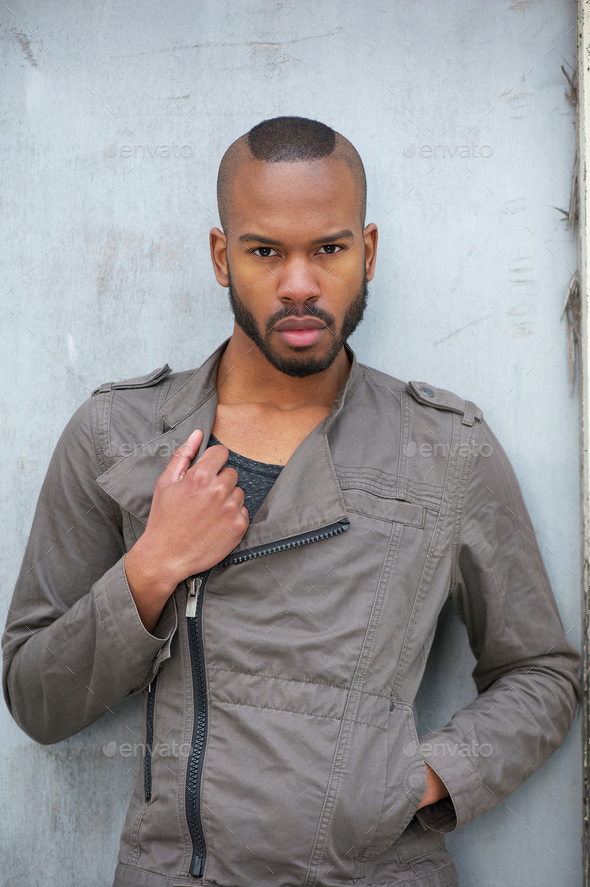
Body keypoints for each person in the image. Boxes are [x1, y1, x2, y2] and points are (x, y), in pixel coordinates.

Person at [2, 116, 580, 887]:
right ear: (221, 256)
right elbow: (36, 699)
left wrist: (422, 779)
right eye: (265, 250)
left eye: (329, 250)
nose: (299, 283)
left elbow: (541, 671)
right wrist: (152, 566)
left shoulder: (444, 446)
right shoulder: (118, 435)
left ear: (367, 252)